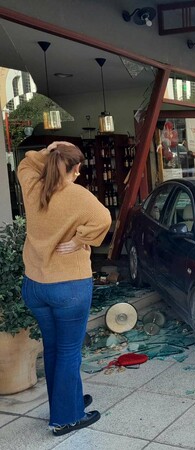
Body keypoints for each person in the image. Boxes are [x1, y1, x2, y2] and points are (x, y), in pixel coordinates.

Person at [17, 141, 111, 436]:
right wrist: (81, 240)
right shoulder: (77, 195)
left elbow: (24, 165)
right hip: (68, 287)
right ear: (76, 169)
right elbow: (104, 219)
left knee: (54, 347)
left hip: (36, 286)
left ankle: (64, 402)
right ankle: (66, 419)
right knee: (69, 351)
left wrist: (49, 151)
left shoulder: (34, 186)